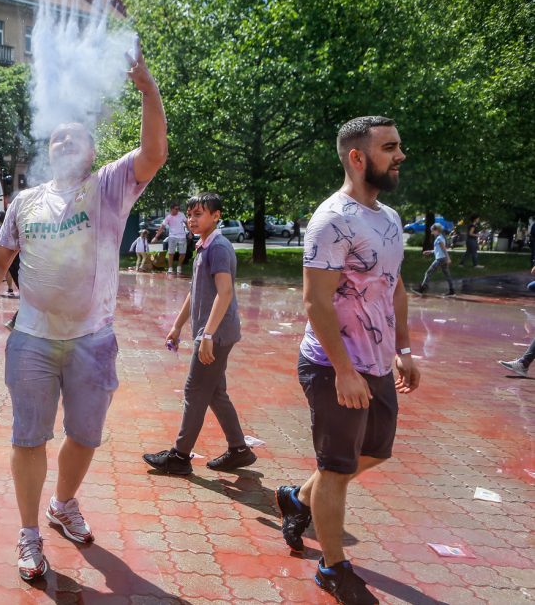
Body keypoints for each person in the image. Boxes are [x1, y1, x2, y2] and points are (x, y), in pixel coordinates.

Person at [0, 40, 166, 582]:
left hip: (94, 339)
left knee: (86, 436)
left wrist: (147, 89)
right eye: (56, 137)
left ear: (92, 151)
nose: (64, 140)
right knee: (28, 438)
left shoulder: (111, 187)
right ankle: (28, 534)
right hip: (33, 339)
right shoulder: (26, 201)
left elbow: (154, 154)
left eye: (75, 135)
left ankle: (63, 505)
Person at [276, 116, 420, 605]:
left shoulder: (391, 218)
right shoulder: (331, 219)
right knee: (336, 468)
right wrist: (342, 370)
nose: (400, 155)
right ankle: (333, 567)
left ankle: (297, 498)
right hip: (333, 364)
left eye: (398, 146)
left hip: (378, 365)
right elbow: (315, 302)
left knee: (376, 451)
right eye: (390, 147)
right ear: (357, 158)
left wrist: (402, 350)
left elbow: (395, 287)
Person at [143, 193, 256, 475]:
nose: (192, 220)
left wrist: (206, 336)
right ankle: (239, 450)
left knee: (195, 391)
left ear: (216, 216)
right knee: (215, 392)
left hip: (215, 334)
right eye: (190, 215)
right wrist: (177, 325)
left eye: (199, 215)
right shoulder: (203, 246)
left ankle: (179, 457)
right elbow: (196, 291)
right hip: (213, 332)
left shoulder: (218, 247)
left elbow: (225, 292)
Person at [416, 223, 455, 296]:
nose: (432, 233)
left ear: (437, 230)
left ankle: (422, 289)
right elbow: (438, 249)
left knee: (428, 272)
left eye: (432, 231)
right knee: (447, 275)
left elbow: (444, 249)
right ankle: (452, 291)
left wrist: (448, 258)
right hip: (442, 258)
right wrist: (430, 252)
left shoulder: (439, 238)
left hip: (440, 259)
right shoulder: (441, 237)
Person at [155, 203, 188, 274]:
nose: (177, 210)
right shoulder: (168, 217)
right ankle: (170, 268)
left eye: (178, 209)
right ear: (172, 209)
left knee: (183, 253)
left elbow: (187, 223)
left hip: (182, 236)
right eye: (176, 209)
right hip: (172, 236)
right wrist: (156, 237)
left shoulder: (181, 214)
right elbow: (162, 227)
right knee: (171, 253)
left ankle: (179, 266)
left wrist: (190, 232)